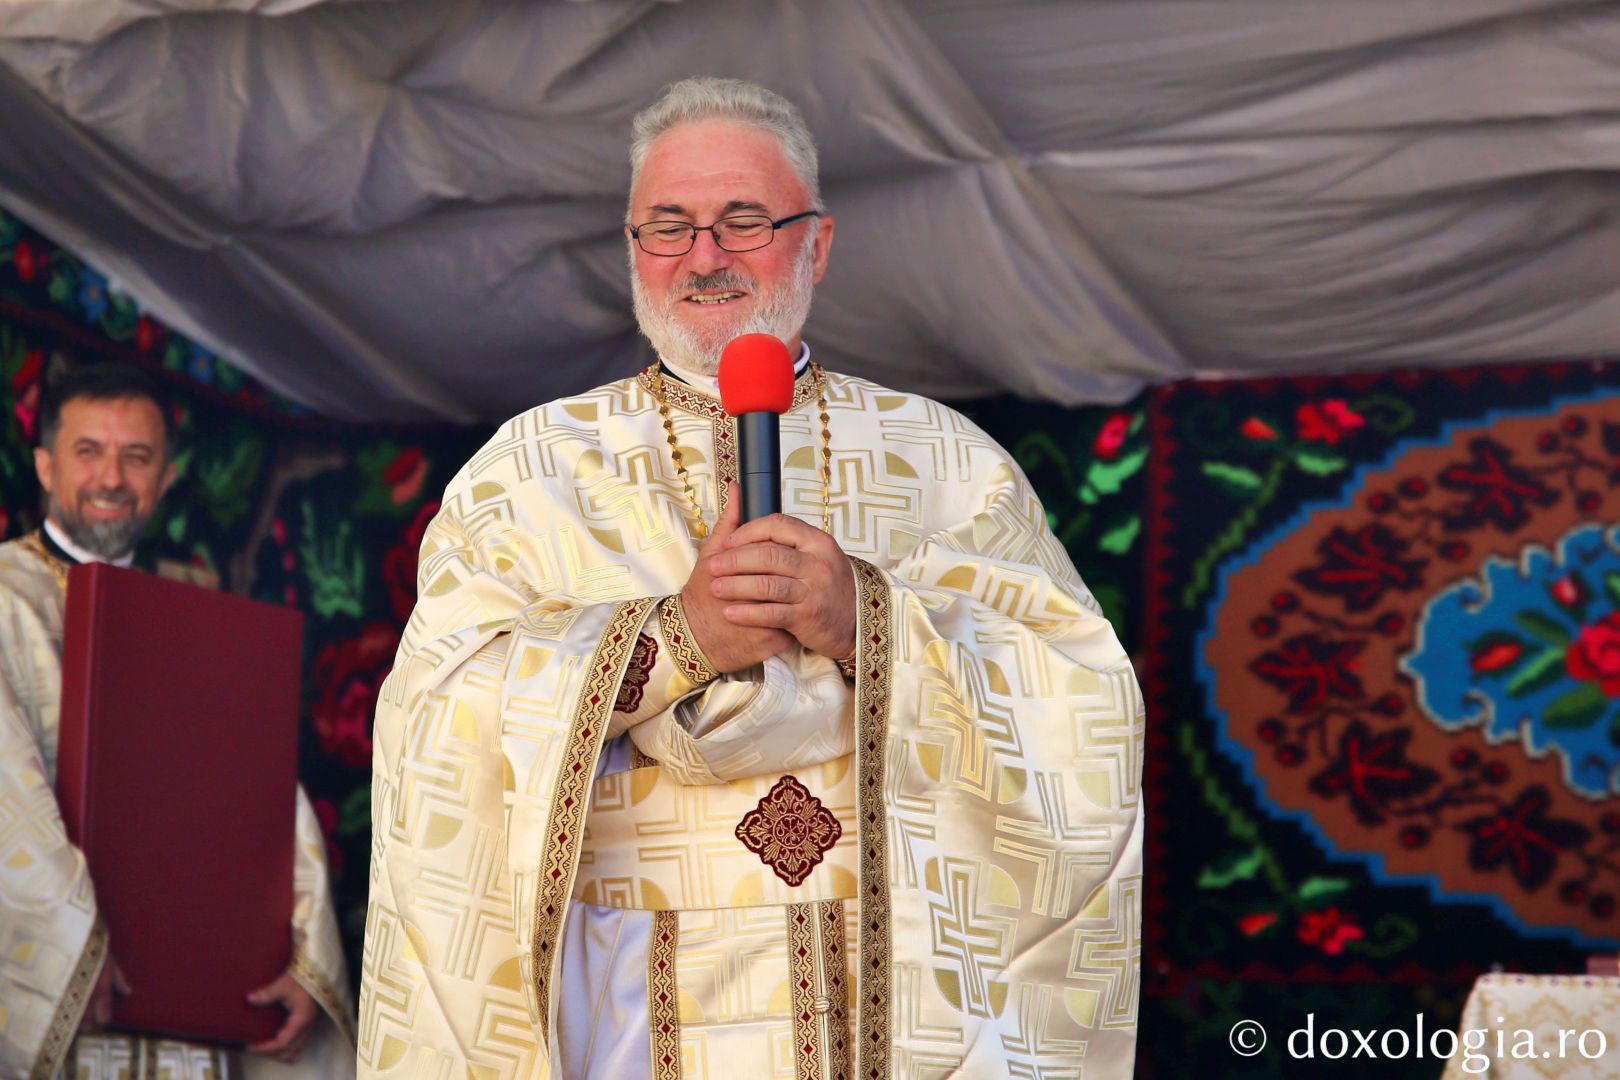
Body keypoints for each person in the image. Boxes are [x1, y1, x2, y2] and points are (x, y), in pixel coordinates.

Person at [359, 77, 1142, 1079]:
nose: (705, 257)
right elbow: (433, 724)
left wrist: (866, 620)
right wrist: (673, 641)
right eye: (669, 227)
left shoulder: (946, 462)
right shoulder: (529, 471)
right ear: (632, 248)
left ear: (818, 243)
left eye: (743, 220)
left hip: (885, 982)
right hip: (621, 995)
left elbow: (1083, 700)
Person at [0, 363, 356, 1079]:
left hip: (194, 1003)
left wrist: (302, 951)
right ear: (44, 466)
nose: (111, 479)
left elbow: (262, 792)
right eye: (88, 451)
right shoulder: (6, 597)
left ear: (165, 478)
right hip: (66, 992)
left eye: (136, 457)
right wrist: (72, 945)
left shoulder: (197, 612)